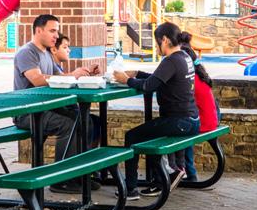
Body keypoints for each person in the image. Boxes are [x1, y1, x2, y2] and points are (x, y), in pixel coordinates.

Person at [113, 22, 200, 200]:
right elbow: (159, 79)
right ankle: (162, 179)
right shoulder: (184, 57)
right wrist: (137, 73)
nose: (156, 46)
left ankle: (130, 189)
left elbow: (148, 86)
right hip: (191, 120)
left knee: (132, 137)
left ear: (165, 40)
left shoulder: (171, 60)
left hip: (179, 122)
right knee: (150, 134)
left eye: (157, 42)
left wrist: (126, 80)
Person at [13, 14, 99, 194]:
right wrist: (72, 75)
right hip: (27, 113)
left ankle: (79, 174)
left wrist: (82, 74)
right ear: (39, 30)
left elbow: (60, 79)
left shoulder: (46, 54)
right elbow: (37, 80)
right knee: (68, 125)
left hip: (46, 109)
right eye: (52, 31)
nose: (56, 35)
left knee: (87, 120)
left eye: (57, 31)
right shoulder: (27, 52)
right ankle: (60, 180)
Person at [179, 32, 219, 182]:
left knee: (182, 130)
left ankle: (186, 171)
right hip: (213, 120)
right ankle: (186, 171)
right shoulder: (201, 75)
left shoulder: (190, 79)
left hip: (205, 123)